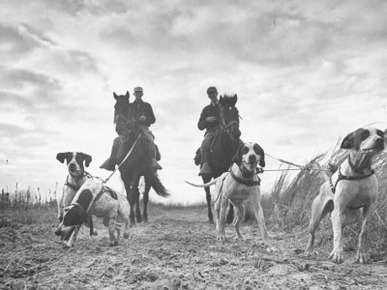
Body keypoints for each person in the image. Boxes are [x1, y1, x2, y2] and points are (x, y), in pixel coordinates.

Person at [100, 86, 161, 172]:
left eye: (139, 93)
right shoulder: (130, 106)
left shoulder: (147, 105)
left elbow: (153, 119)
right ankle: (111, 161)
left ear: (142, 94)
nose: (138, 95)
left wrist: (145, 119)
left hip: (144, 128)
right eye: (136, 93)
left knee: (149, 139)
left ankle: (153, 161)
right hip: (131, 127)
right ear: (134, 94)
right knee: (116, 140)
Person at [197, 86, 220, 176]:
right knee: (205, 143)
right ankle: (206, 164)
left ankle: (244, 166)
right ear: (208, 96)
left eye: (213, 92)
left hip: (224, 130)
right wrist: (206, 121)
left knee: (241, 144)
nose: (211, 95)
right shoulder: (206, 109)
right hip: (211, 132)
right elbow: (200, 126)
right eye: (209, 93)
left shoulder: (223, 106)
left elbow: (229, 117)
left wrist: (216, 119)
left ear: (217, 93)